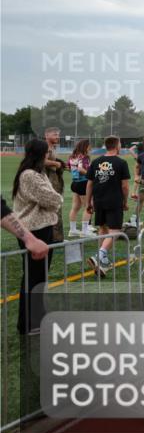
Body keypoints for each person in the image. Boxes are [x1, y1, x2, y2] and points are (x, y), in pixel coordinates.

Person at [12, 140, 62, 332]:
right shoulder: (29, 175)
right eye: (48, 153)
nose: (50, 156)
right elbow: (53, 198)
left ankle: (37, 317)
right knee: (33, 277)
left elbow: (52, 197)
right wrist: (55, 200)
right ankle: (27, 323)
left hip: (42, 227)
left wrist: (53, 199)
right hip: (34, 231)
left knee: (39, 278)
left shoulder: (37, 173)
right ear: (41, 154)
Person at [85, 136, 131, 277]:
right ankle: (99, 255)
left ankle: (101, 263)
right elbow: (124, 186)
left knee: (103, 229)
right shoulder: (121, 162)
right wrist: (125, 201)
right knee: (116, 231)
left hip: (98, 200)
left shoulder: (96, 161)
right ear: (117, 146)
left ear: (106, 146)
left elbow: (90, 184)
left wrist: (88, 202)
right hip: (114, 200)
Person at [43, 127, 67, 242]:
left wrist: (60, 163)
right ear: (46, 135)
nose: (57, 137)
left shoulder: (52, 147)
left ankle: (56, 237)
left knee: (56, 206)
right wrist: (56, 163)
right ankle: (54, 238)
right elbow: (42, 161)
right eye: (55, 135)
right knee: (54, 205)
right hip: (49, 179)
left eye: (58, 135)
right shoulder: (45, 147)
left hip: (53, 178)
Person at [67, 139, 92, 238]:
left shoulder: (72, 156)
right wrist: (90, 175)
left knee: (75, 207)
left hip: (75, 183)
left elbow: (68, 168)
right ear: (85, 146)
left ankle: (72, 230)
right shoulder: (84, 157)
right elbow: (81, 169)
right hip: (83, 183)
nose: (91, 148)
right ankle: (85, 231)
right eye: (89, 146)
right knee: (88, 207)